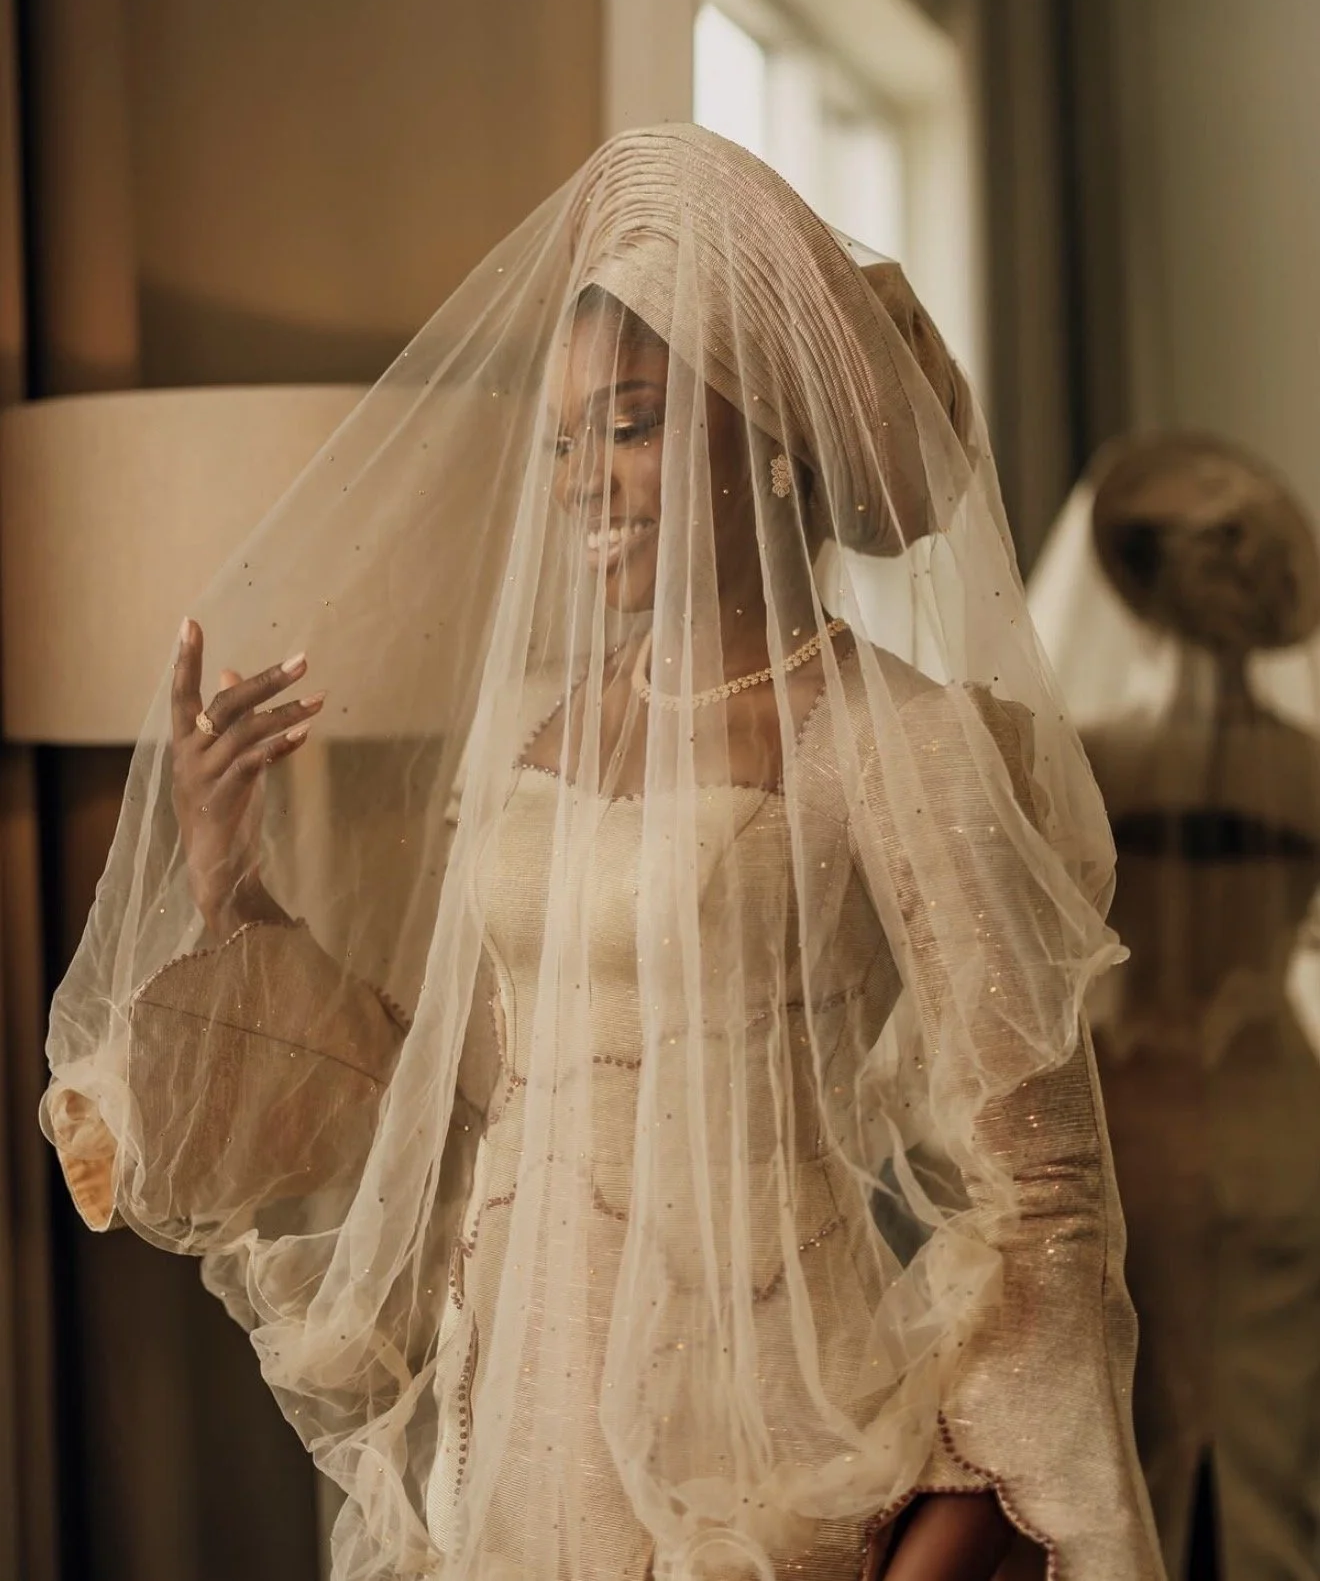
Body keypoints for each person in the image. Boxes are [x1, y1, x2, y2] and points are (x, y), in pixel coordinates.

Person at [44, 125, 1162, 1580]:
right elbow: (462, 1096)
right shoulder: (538, 727)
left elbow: (1047, 1201)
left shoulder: (904, 739)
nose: (582, 479)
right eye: (564, 438)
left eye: (628, 425)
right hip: (510, 1425)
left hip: (770, 1448)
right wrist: (226, 875)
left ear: (773, 437)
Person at [1029, 433, 1320, 1579]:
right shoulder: (1308, 771)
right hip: (1280, 1117)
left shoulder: (1089, 761)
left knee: (1137, 1441)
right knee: (1273, 1438)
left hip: (1129, 1116)